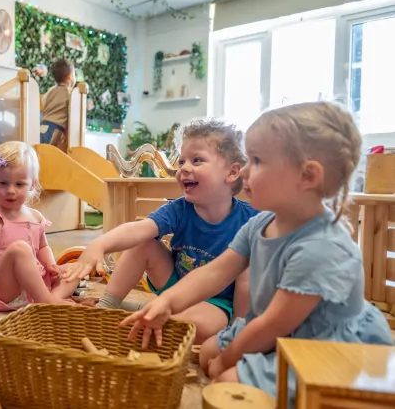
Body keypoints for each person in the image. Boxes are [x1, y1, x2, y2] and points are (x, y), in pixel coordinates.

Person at [121, 102, 394, 403]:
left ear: (307, 176)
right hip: (273, 328)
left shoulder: (322, 247)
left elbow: (273, 325)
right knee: (207, 353)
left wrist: (228, 361)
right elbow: (214, 273)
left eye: (257, 160)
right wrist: (168, 303)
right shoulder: (261, 223)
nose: (245, 171)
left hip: (320, 346)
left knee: (224, 379)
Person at [63, 120, 259, 344]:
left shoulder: (250, 220)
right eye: (182, 160)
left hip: (215, 302)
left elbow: (247, 282)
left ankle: (141, 311)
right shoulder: (180, 208)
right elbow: (139, 229)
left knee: (199, 327)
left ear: (232, 172)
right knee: (143, 242)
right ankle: (107, 308)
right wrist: (99, 245)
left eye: (197, 160)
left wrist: (237, 331)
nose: (184, 168)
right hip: (174, 285)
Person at [0, 141, 79, 310]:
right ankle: (47, 302)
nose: (10, 190)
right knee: (20, 249)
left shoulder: (35, 217)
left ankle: (51, 298)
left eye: (19, 184)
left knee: (74, 268)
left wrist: (51, 264)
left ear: (33, 184)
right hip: (0, 289)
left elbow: (43, 247)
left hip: (31, 287)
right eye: (3, 183)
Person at [40, 59, 74, 150]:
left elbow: (43, 101)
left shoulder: (51, 90)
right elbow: (73, 110)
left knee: (39, 147)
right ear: (70, 77)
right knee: (45, 151)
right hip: (55, 127)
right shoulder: (70, 93)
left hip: (43, 124)